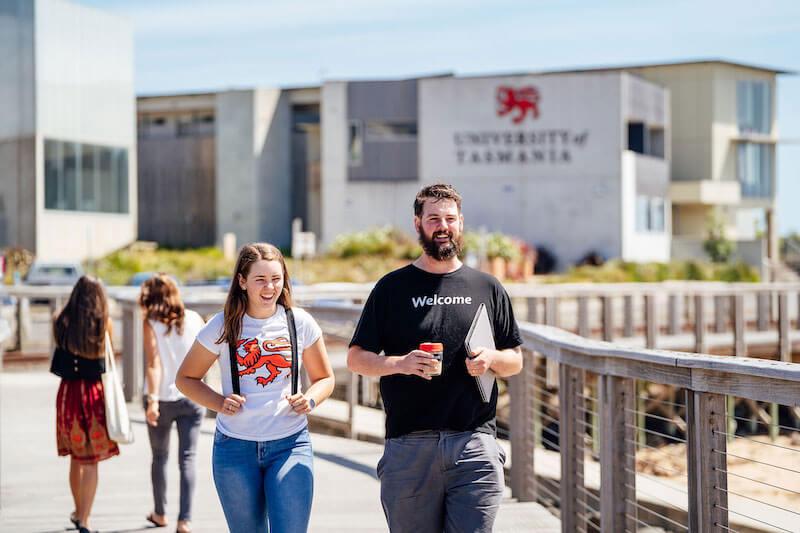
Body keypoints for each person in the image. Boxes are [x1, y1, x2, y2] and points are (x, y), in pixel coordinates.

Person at [347, 183, 523, 533]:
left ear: (460, 223)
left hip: (474, 442)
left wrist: (490, 359)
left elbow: (515, 360)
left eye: (450, 218)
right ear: (417, 224)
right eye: (433, 219)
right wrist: (399, 364)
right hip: (409, 444)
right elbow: (356, 358)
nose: (443, 226)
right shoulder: (392, 288)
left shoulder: (487, 288)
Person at [176, 243, 335, 533]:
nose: (270, 287)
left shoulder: (300, 322)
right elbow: (185, 378)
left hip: (290, 443)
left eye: (276, 279)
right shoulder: (223, 325)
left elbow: (325, 378)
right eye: (260, 279)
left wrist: (309, 400)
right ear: (242, 281)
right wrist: (219, 402)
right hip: (235, 448)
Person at [51, 276, 120, 533]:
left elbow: (59, 348)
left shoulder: (61, 320)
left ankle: (78, 511)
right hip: (93, 394)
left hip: (69, 393)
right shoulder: (105, 324)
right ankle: (84, 519)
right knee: (91, 461)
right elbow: (108, 353)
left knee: (76, 458)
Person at [139, 274, 206, 533]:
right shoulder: (194, 319)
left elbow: (153, 364)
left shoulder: (151, 323)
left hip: (162, 399)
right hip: (192, 397)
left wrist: (152, 401)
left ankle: (160, 513)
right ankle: (185, 520)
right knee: (188, 459)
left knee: (159, 457)